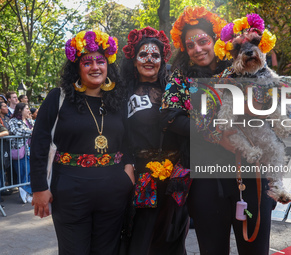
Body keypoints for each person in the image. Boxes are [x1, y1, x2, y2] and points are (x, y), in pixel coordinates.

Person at [162, 7, 276, 254]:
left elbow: (270, 101)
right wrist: (216, 136)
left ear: (215, 40)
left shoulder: (241, 63)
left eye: (203, 41)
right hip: (206, 180)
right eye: (190, 45)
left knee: (255, 248)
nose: (197, 49)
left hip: (251, 170)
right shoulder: (180, 77)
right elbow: (172, 119)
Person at [30, 30, 134, 255]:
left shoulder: (118, 100)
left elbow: (128, 139)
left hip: (113, 190)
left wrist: (128, 168)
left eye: (100, 61)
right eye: (87, 62)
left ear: (108, 65)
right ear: (77, 67)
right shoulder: (58, 98)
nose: (95, 67)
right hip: (70, 190)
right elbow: (39, 142)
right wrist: (39, 187)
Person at [121, 26, 189, 255]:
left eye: (155, 55)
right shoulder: (122, 92)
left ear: (163, 59)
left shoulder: (175, 89)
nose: (149, 60)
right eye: (143, 55)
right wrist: (127, 163)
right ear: (134, 59)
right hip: (140, 174)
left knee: (172, 234)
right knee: (143, 235)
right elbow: (118, 133)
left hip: (175, 175)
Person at [8, 102, 34, 204]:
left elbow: (37, 129)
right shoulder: (12, 121)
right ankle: (25, 194)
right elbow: (17, 132)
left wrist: (31, 130)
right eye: (26, 109)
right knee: (23, 172)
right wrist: (31, 131)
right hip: (19, 151)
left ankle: (29, 193)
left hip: (30, 150)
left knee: (30, 172)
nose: (28, 110)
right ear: (20, 110)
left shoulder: (29, 121)